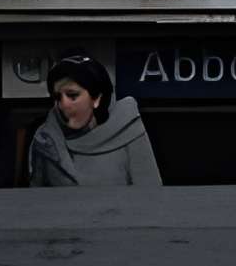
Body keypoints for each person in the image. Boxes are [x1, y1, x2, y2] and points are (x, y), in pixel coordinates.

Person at [27, 52, 161, 187]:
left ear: (96, 98)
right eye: (58, 97)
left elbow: (151, 198)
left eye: (72, 95)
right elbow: (36, 201)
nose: (63, 104)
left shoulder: (128, 129)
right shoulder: (45, 139)